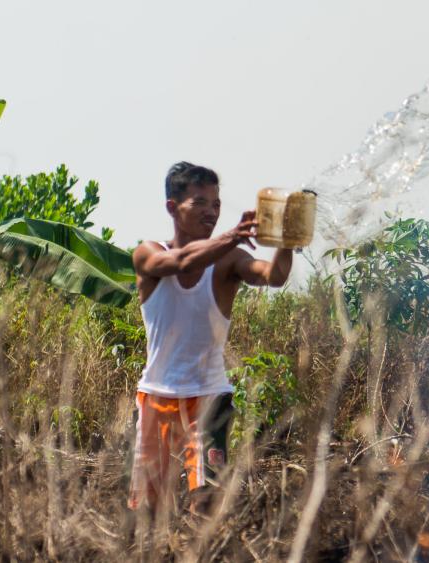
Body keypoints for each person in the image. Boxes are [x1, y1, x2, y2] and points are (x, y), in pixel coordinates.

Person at [127, 161, 293, 514]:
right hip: (157, 397)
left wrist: (287, 240)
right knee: (147, 511)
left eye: (216, 203)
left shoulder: (230, 259)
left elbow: (274, 276)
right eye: (199, 202)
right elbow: (183, 262)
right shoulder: (148, 252)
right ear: (173, 207)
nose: (211, 212)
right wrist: (232, 235)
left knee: (206, 501)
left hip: (209, 397)